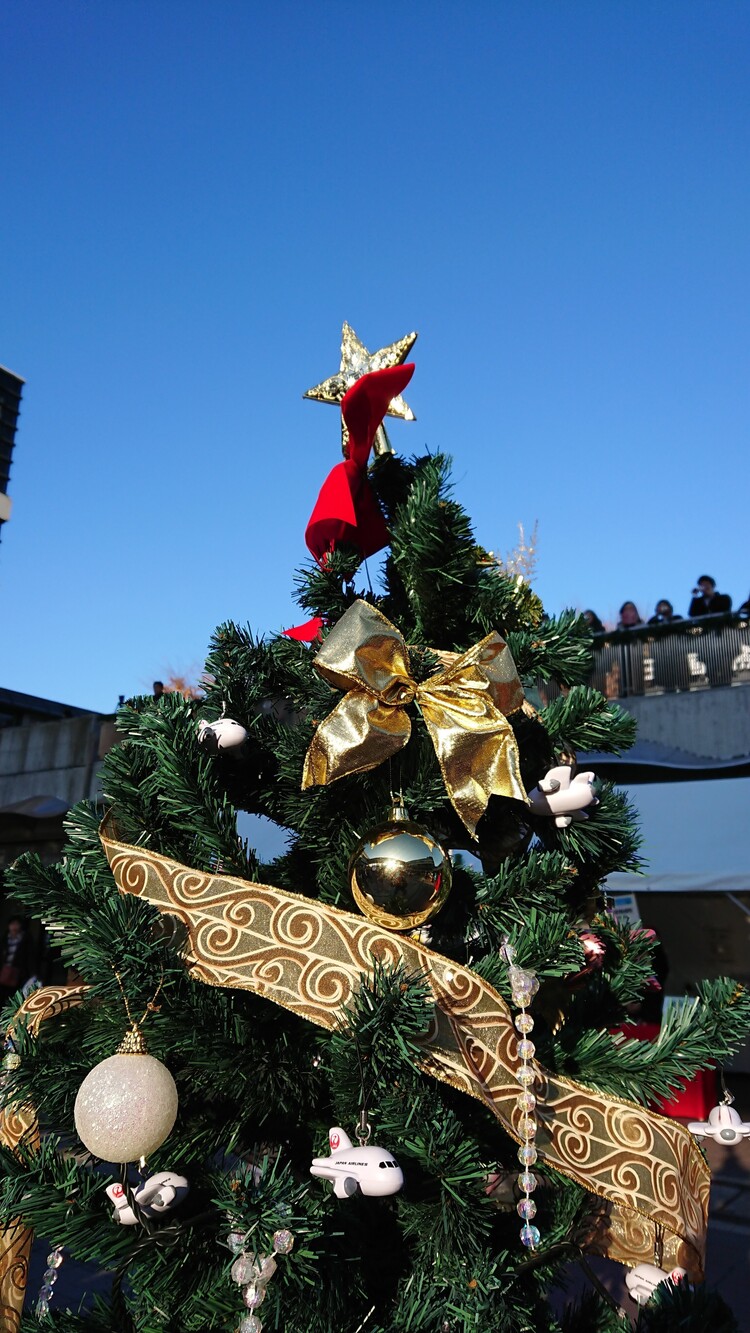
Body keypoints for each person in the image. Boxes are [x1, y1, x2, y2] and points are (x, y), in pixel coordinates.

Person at [0, 916, 32, 1004]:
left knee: (13, 995)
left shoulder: (25, 938)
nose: (14, 927)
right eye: (12, 924)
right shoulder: (5, 938)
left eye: (16, 924)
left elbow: (28, 956)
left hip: (18, 972)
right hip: (4, 970)